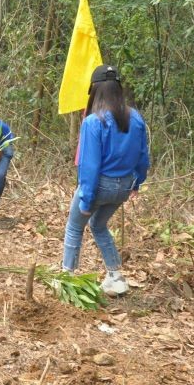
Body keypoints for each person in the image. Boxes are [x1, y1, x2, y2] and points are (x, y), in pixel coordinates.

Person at [61, 65, 149, 296]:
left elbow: (90, 166)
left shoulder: (93, 121)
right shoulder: (136, 118)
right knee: (98, 225)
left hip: (100, 186)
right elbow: (142, 156)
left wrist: (86, 199)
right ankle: (116, 278)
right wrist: (137, 183)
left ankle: (66, 278)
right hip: (124, 186)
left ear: (95, 91)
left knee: (74, 226)